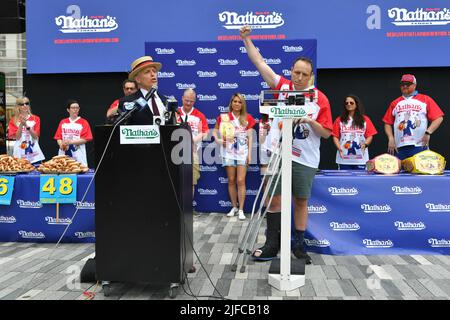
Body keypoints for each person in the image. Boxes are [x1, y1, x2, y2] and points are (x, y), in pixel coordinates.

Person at [240, 25, 333, 263]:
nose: (299, 77)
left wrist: (310, 120)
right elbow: (259, 62)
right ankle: (272, 243)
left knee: (301, 200)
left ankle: (299, 245)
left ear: (311, 75)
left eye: (305, 74)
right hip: (279, 154)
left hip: (305, 157)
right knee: (274, 199)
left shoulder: (319, 97)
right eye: (296, 72)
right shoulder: (281, 87)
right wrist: (246, 39)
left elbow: (325, 133)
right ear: (291, 71)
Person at [212, 93, 256, 220]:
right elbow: (214, 131)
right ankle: (234, 207)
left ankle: (241, 209)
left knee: (241, 180)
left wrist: (250, 154)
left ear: (243, 104)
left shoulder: (247, 118)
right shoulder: (224, 117)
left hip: (242, 152)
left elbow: (250, 137)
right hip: (228, 152)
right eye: (235, 101)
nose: (237, 104)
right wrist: (218, 140)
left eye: (239, 102)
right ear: (231, 103)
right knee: (231, 180)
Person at [383, 74, 444, 160]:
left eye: (408, 84)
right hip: (400, 147)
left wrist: (428, 132)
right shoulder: (395, 103)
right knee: (399, 172)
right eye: (402, 84)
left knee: (419, 171)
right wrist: (390, 138)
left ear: (414, 85)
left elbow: (439, 117)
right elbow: (387, 122)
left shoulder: (425, 99)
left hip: (419, 145)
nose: (404, 86)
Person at [176, 89, 209, 195]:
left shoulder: (199, 115)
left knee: (191, 182)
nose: (188, 103)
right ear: (182, 98)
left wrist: (193, 141)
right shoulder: (175, 113)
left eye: (191, 101)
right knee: (176, 180)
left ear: (194, 101)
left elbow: (206, 133)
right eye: (186, 100)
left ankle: (188, 210)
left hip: (193, 153)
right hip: (175, 152)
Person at [117, 56, 168, 125]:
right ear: (138, 79)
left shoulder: (166, 100)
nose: (153, 74)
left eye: (154, 71)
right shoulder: (128, 101)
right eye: (147, 72)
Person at [332, 94, 377, 170]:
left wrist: (365, 144)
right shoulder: (339, 120)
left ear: (357, 104)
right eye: (346, 103)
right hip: (343, 159)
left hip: (361, 159)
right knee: (344, 181)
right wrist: (339, 148)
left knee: (360, 181)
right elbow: (335, 136)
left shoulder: (365, 119)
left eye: (351, 103)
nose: (349, 104)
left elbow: (370, 135)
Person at [54, 100, 93, 166]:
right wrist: (61, 144)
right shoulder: (63, 122)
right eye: (73, 108)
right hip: (63, 154)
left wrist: (71, 142)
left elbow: (86, 139)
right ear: (68, 110)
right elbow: (58, 137)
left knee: (78, 170)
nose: (75, 109)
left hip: (78, 154)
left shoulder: (84, 122)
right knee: (63, 169)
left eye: (77, 108)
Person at [7, 97, 45, 164]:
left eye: (26, 103)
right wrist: (21, 124)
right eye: (22, 104)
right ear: (18, 106)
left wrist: (27, 125)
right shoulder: (13, 120)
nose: (25, 106)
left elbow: (36, 136)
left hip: (34, 154)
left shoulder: (36, 118)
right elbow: (17, 137)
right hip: (19, 154)